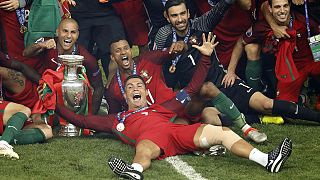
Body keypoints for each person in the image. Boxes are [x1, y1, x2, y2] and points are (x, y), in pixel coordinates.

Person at [57, 75, 292, 180]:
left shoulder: (162, 107)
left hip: (175, 133)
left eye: (139, 85)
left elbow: (191, 88)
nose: (135, 88)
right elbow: (84, 121)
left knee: (221, 132)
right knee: (144, 147)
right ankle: (134, 171)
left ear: (145, 92)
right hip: (150, 140)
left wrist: (206, 58)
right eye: (131, 86)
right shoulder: (116, 117)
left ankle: (267, 160)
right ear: (125, 94)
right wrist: (55, 105)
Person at [155, 0, 320, 126]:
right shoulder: (163, 36)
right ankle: (255, 118)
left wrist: (231, 72)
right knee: (211, 119)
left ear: (188, 13)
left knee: (265, 104)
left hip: (222, 82)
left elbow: (220, 10)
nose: (180, 20)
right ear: (167, 17)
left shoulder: (200, 25)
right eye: (174, 16)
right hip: (199, 96)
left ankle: (316, 118)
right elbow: (156, 67)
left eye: (182, 14)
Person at [106, 32, 267, 143]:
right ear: (113, 57)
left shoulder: (149, 59)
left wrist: (180, 45)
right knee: (199, 124)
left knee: (208, 87)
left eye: (126, 48)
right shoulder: (113, 87)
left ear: (131, 49)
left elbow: (174, 52)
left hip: (177, 105)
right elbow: (115, 118)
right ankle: (209, 138)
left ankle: (247, 129)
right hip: (159, 122)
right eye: (118, 51)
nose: (123, 53)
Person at [224, 0, 320, 104]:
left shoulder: (304, 19)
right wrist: (230, 71)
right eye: (277, 7)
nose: (282, 11)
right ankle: (300, 98)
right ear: (270, 9)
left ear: (290, 6)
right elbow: (240, 42)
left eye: (285, 6)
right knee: (284, 105)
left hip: (313, 60)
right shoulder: (262, 27)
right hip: (293, 68)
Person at [23, 18, 104, 115]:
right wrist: (41, 45)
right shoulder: (47, 43)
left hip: (71, 100)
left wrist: (91, 118)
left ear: (77, 35)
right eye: (65, 31)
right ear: (57, 32)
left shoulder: (85, 58)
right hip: (43, 93)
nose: (68, 36)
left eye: (73, 32)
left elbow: (99, 88)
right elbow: (26, 53)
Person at [69, 0, 126, 81]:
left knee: (115, 52)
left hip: (107, 11)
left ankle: (115, 89)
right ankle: (79, 91)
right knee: (76, 57)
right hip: (76, 12)